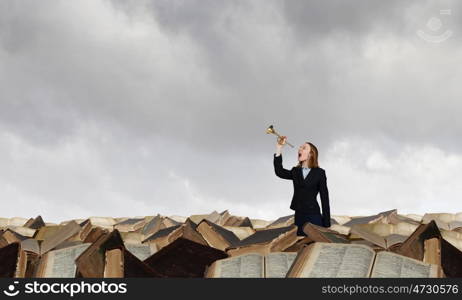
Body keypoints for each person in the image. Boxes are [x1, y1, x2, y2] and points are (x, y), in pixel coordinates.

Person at [273, 136, 331, 236]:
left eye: (304, 148)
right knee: (300, 244)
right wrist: (279, 148)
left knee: (315, 242)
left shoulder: (320, 173)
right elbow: (279, 172)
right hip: (299, 215)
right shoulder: (296, 171)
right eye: (300, 147)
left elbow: (324, 197)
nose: (300, 149)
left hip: (314, 215)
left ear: (311, 154)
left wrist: (327, 223)